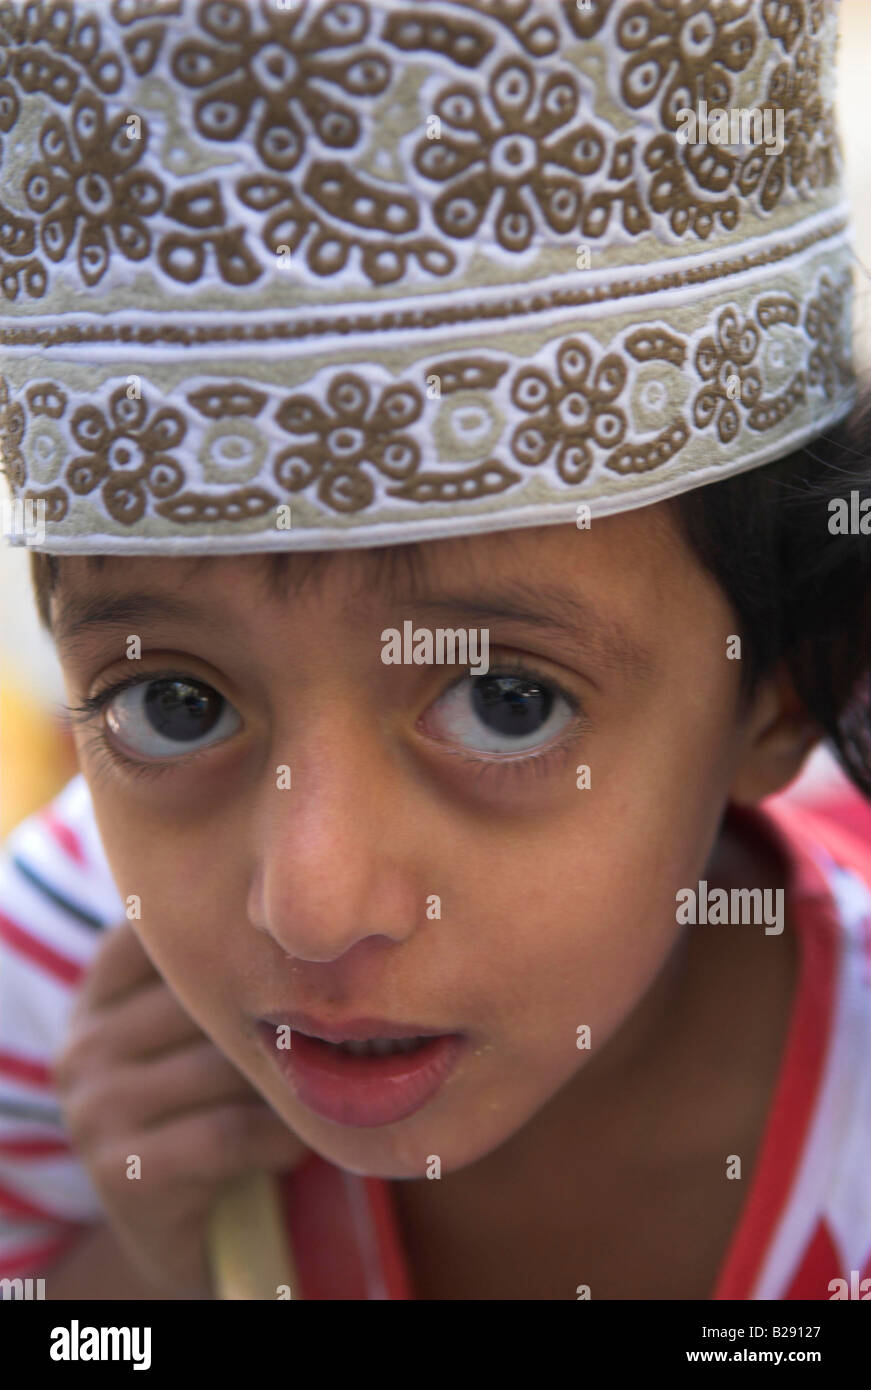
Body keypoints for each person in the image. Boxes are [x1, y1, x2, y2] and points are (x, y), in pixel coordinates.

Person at [0, 0, 869, 1300]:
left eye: (506, 700)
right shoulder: (54, 1003)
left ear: (784, 685)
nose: (313, 901)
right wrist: (143, 1273)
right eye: (176, 703)